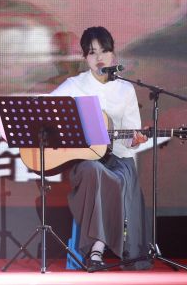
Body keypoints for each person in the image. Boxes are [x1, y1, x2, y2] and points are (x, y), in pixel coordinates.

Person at [49, 26, 151, 270]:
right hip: (85, 161)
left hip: (118, 161)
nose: (99, 58)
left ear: (113, 54)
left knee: (109, 177)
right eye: (92, 52)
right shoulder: (74, 85)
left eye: (104, 51)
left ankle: (96, 250)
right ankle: (96, 249)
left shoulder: (125, 89)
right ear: (85, 57)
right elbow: (44, 109)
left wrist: (135, 140)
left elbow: (129, 137)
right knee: (93, 171)